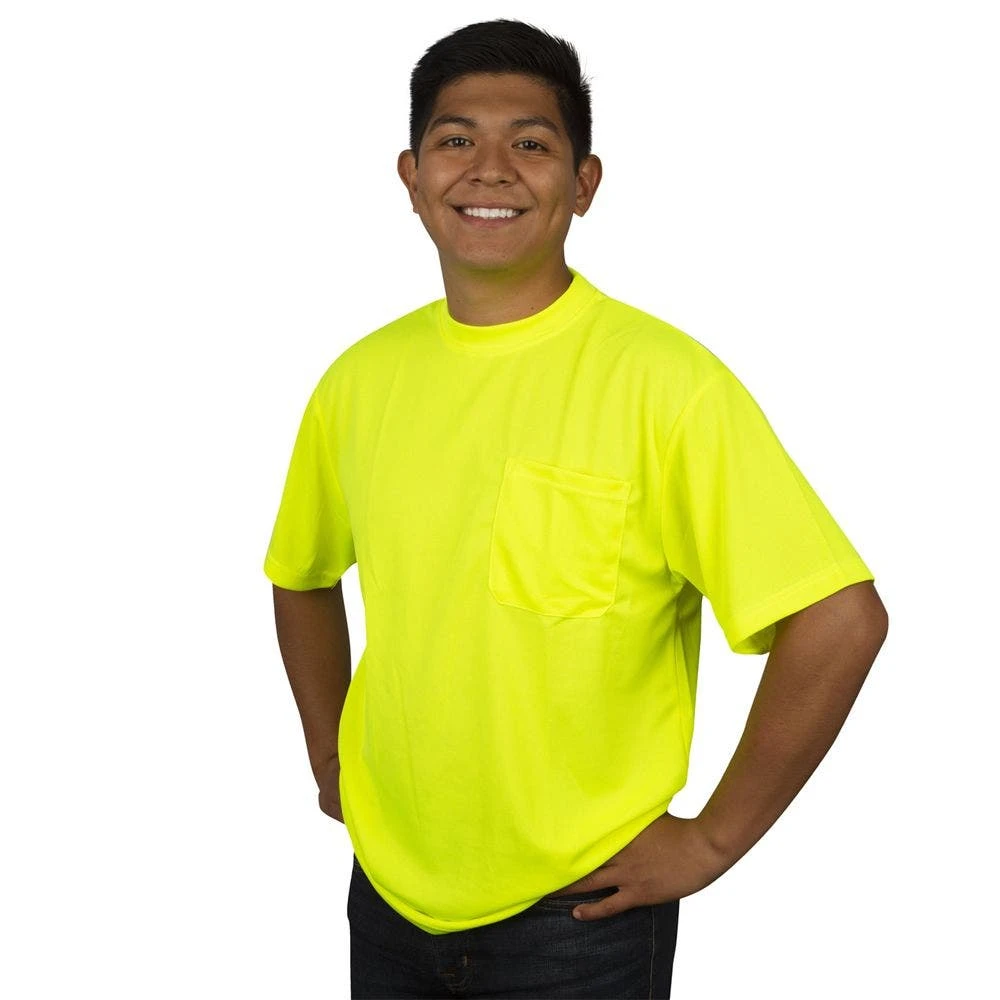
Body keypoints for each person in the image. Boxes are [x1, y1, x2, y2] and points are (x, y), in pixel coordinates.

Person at [263, 18, 889, 999]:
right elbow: (301, 576)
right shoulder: (358, 381)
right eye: (456, 139)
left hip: (580, 914)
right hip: (386, 892)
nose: (490, 168)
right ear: (411, 176)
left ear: (584, 182)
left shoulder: (666, 385)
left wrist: (713, 839)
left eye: (531, 142)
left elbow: (840, 618)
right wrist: (328, 754)